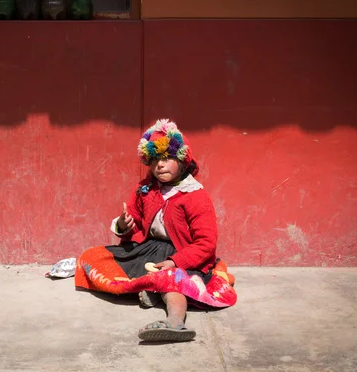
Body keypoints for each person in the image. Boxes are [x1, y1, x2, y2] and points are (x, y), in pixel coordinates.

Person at [74, 119, 236, 342]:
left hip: (182, 255)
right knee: (90, 257)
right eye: (155, 160)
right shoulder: (145, 189)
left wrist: (175, 262)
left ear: (183, 160)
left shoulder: (196, 196)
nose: (160, 165)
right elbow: (137, 226)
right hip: (148, 250)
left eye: (167, 158)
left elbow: (205, 244)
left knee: (172, 281)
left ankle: (176, 322)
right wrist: (123, 225)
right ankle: (151, 290)